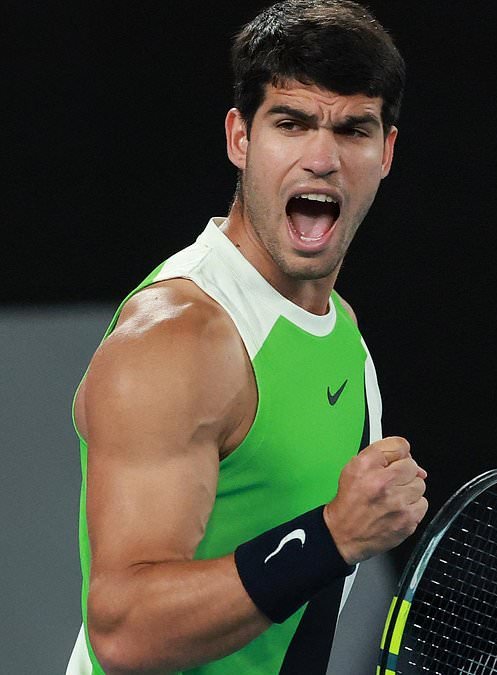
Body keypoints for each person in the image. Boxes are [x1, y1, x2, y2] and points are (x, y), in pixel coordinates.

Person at [66, 2, 429, 673]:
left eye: (354, 130)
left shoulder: (340, 328)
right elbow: (122, 629)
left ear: (387, 154)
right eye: (291, 123)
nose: (321, 158)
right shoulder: (178, 337)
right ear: (240, 138)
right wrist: (332, 535)